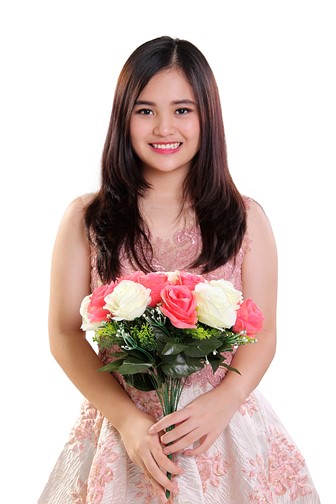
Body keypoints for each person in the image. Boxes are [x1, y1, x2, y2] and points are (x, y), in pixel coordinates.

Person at [39, 36, 320, 503]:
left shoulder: (245, 218)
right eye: (145, 110)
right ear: (122, 117)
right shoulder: (87, 218)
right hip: (125, 431)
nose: (164, 126)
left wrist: (224, 400)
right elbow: (65, 333)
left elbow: (263, 332)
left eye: (183, 110)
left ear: (207, 117)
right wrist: (128, 421)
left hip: (220, 429)